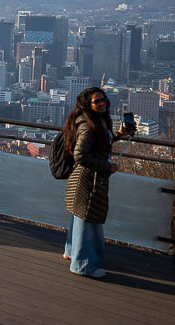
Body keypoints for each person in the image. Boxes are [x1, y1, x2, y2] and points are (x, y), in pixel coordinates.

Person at [62, 87, 130, 279]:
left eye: (103, 100)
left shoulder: (97, 121)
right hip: (88, 180)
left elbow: (100, 143)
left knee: (80, 217)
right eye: (97, 101)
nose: (102, 103)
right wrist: (106, 167)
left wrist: (118, 135)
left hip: (86, 178)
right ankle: (82, 265)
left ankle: (71, 251)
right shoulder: (87, 126)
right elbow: (80, 155)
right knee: (88, 220)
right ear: (88, 105)